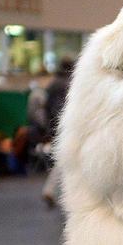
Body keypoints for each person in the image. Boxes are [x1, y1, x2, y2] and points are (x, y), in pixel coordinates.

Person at [41, 56, 74, 207]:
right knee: (65, 159)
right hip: (68, 125)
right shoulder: (71, 83)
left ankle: (52, 190)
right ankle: (51, 190)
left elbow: (46, 108)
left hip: (54, 126)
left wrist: (48, 128)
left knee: (63, 159)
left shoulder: (52, 84)